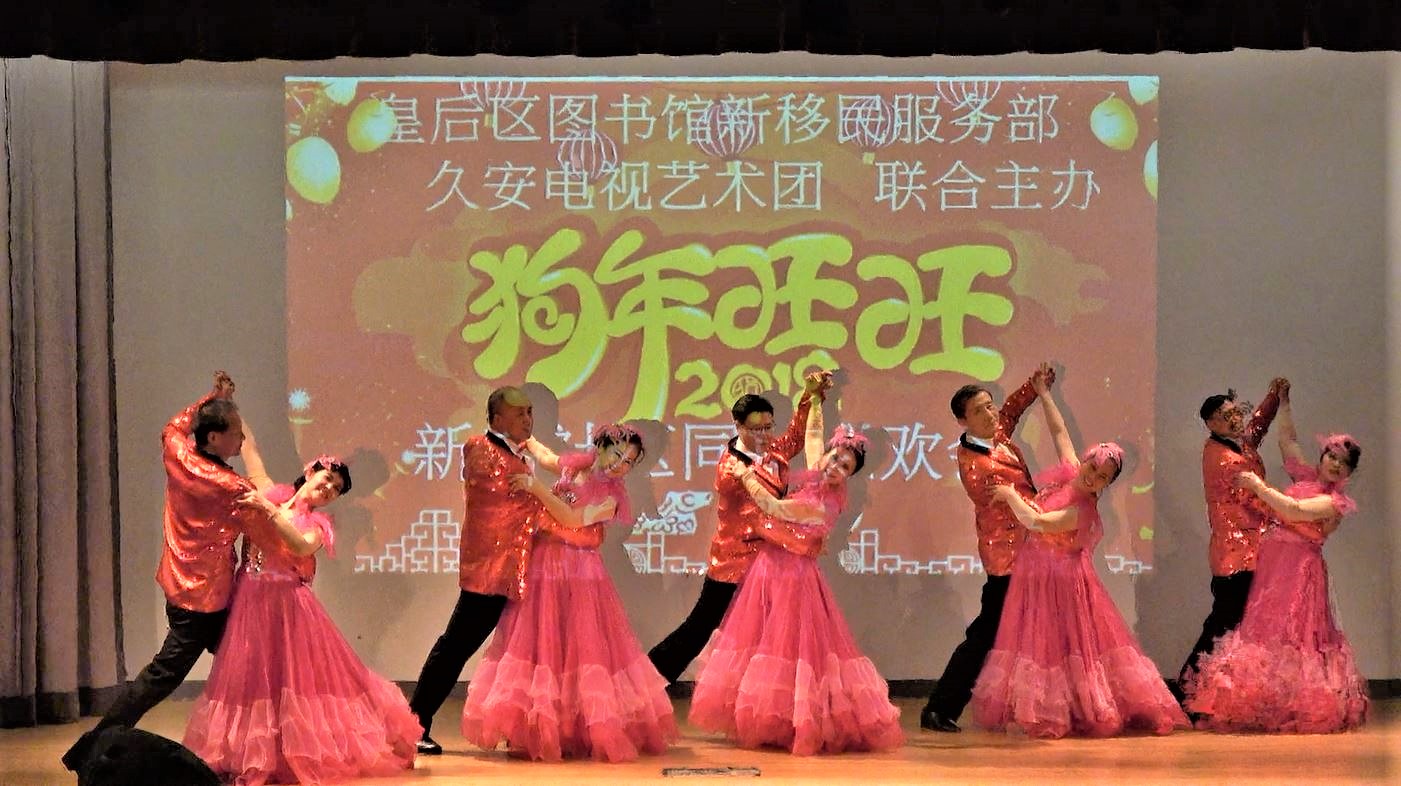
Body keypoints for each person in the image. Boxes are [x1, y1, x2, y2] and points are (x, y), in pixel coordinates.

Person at [183, 435, 421, 784]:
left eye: (336, 490)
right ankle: (248, 753)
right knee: (253, 679)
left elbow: (301, 545)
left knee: (293, 679)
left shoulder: (319, 524)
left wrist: (267, 511)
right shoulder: (269, 492)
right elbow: (250, 450)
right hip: (250, 599)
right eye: (328, 479)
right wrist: (230, 414)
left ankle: (287, 753)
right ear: (310, 472)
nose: (329, 489)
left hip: (288, 605)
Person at [970, 373, 1188, 737]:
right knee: (1045, 646)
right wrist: (1044, 393)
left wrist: (1009, 495)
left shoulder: (1082, 510)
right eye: (1092, 468)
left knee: (1067, 645)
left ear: (1107, 485)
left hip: (1063, 582)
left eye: (1102, 477)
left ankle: (1078, 707)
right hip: (1039, 576)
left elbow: (1038, 522)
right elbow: (1059, 432)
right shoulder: (1069, 474)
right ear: (1084, 463)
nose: (1093, 477)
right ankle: (1053, 705)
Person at [689, 384, 904, 755]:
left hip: (794, 577)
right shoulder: (817, 475)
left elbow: (774, 508)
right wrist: (815, 400)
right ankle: (770, 718)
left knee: (790, 646)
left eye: (845, 467)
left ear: (851, 475)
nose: (834, 466)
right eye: (834, 458)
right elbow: (814, 436)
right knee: (762, 642)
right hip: (769, 568)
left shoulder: (825, 502)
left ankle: (795, 720)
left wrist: (745, 476)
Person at [63, 372, 253, 772]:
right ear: (214, 437)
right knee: (164, 676)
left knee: (250, 665)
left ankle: (251, 748)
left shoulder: (179, 454)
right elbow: (264, 517)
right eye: (236, 432)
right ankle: (93, 749)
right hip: (205, 602)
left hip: (184, 591)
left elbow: (173, 427)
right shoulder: (228, 485)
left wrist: (211, 397)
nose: (243, 438)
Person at [461, 423, 677, 761]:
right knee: (544, 644)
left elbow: (573, 519)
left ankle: (580, 728)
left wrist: (536, 488)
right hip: (545, 565)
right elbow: (549, 458)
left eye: (628, 462)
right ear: (600, 447)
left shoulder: (612, 498)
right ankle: (543, 728)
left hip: (579, 572)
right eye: (616, 454)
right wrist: (527, 440)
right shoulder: (576, 467)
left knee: (581, 647)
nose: (618, 464)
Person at [408, 385, 584, 755]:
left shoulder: (518, 454)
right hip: (489, 571)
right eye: (519, 414)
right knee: (456, 646)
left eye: (529, 412)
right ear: (497, 419)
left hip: (512, 571)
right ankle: (414, 724)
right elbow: (517, 507)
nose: (527, 420)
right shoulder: (481, 449)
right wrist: (568, 513)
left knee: (488, 649)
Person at [1184, 386, 1368, 733]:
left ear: (1348, 473)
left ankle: (1292, 702)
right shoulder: (1306, 478)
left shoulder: (1333, 503)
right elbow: (1287, 441)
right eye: (1330, 456)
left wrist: (1257, 486)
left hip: (1298, 572)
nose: (1334, 464)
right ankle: (1257, 699)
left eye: (1342, 463)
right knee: (1262, 630)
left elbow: (1293, 510)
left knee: (1295, 634)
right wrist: (1283, 402)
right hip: (1273, 567)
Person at [647, 373, 828, 684]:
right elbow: (765, 507)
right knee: (702, 627)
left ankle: (765, 690)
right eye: (756, 429)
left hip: (766, 561)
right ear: (738, 426)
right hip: (734, 562)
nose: (764, 435)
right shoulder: (731, 468)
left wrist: (810, 395)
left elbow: (797, 436)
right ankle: (649, 678)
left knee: (769, 629)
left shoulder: (773, 450)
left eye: (768, 427)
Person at [921, 364, 1051, 733]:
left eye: (990, 406)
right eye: (980, 411)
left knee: (1009, 631)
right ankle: (940, 707)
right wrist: (1054, 510)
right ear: (963, 421)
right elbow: (1014, 504)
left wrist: (1034, 386)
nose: (991, 414)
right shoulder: (975, 464)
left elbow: (1011, 411)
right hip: (1007, 556)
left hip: (1029, 548)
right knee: (986, 634)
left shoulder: (997, 436)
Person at [1174, 378, 1286, 699]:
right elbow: (1254, 500)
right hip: (1235, 555)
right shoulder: (1223, 458)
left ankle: (1219, 692)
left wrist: (1274, 396)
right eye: (1227, 416)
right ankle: (1188, 688)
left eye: (1237, 413)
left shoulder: (1240, 445)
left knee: (1236, 624)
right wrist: (1294, 513)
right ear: (1211, 423)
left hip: (1252, 550)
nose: (1236, 420)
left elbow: (1258, 427)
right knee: (1223, 625)